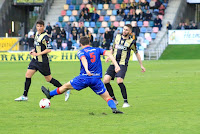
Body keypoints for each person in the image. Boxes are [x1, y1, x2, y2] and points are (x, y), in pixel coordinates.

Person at [41, 36, 123, 114]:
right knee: (107, 97)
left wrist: (87, 70)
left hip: (84, 78)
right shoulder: (97, 49)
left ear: (80, 44)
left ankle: (50, 94)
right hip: (96, 79)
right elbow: (109, 54)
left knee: (65, 86)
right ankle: (114, 109)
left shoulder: (81, 51)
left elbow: (83, 59)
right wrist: (116, 65)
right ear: (89, 43)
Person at [15, 20, 62, 101]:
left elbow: (49, 49)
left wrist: (38, 54)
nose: (39, 28)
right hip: (35, 60)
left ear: (43, 27)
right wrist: (33, 51)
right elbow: (38, 46)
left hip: (42, 62)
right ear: (36, 27)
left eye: (41, 26)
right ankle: (24, 96)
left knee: (49, 79)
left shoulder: (46, 37)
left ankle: (64, 89)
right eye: (38, 26)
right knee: (28, 75)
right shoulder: (36, 34)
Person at [103, 24, 146, 108]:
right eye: (124, 29)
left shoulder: (132, 42)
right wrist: (109, 56)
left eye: (126, 30)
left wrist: (141, 65)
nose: (124, 31)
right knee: (105, 80)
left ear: (130, 32)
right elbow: (113, 48)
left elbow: (136, 53)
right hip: (114, 62)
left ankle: (125, 102)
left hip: (122, 64)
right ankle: (114, 99)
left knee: (119, 81)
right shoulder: (117, 37)